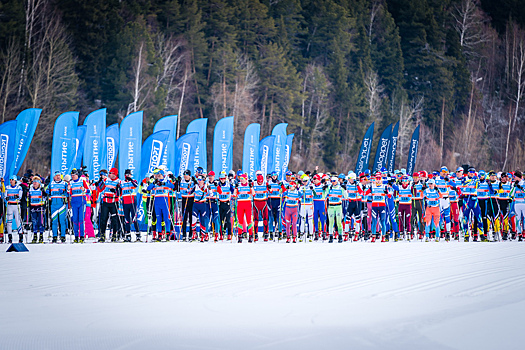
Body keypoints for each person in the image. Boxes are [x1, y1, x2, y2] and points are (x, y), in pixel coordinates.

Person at [147, 168, 175, 241]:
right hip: (157, 203)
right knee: (158, 219)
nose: (158, 176)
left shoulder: (166, 181)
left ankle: (167, 234)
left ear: (163, 175)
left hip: (165, 203)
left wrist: (164, 184)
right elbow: (148, 188)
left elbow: (172, 186)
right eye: (158, 175)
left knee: (166, 219)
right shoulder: (155, 182)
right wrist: (154, 183)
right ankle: (159, 234)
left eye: (160, 175)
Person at [97, 168, 122, 242]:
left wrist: (116, 191)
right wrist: (99, 182)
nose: (109, 174)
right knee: (103, 219)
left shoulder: (119, 181)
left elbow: (120, 193)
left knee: (114, 219)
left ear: (114, 174)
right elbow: (99, 189)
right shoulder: (106, 180)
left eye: (111, 173)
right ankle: (102, 235)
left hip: (114, 202)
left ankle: (114, 235)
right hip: (106, 202)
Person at [46, 171, 69, 243]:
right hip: (53, 205)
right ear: (54, 177)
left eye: (59, 176)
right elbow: (46, 190)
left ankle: (63, 236)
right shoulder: (51, 184)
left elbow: (68, 193)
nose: (58, 177)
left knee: (62, 221)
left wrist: (64, 192)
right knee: (54, 221)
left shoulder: (64, 184)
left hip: (61, 204)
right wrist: (47, 191)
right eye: (56, 176)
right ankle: (54, 236)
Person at [69, 169, 90, 243]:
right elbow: (70, 193)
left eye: (74, 175)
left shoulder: (82, 181)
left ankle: (82, 236)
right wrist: (68, 190)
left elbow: (89, 190)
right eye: (71, 175)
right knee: (75, 220)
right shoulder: (70, 183)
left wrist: (84, 189)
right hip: (74, 203)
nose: (72, 176)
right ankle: (76, 236)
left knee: (81, 220)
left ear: (77, 175)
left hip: (81, 202)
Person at [324, 176, 348, 243]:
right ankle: (331, 236)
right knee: (331, 222)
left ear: (337, 181)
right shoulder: (329, 188)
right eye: (332, 181)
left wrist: (345, 190)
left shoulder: (340, 188)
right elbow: (324, 196)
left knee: (338, 222)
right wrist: (324, 190)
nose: (332, 182)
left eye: (334, 181)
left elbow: (346, 197)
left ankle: (340, 236)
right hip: (331, 207)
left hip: (338, 206)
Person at [233, 173, 255, 243]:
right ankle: (240, 236)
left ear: (246, 179)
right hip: (240, 204)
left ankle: (251, 235)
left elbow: (253, 194)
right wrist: (235, 188)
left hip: (248, 204)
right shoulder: (238, 185)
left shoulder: (249, 185)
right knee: (240, 221)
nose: (241, 180)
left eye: (243, 179)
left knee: (249, 220)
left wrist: (251, 187)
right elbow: (234, 195)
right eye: (240, 179)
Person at [3, 176, 23, 243]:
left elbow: (20, 197)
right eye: (10, 180)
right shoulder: (7, 187)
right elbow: (5, 196)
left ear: (15, 181)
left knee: (18, 220)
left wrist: (16, 197)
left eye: (12, 180)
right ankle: (9, 236)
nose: (11, 181)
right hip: (10, 205)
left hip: (16, 205)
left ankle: (20, 236)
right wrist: (7, 198)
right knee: (9, 221)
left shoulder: (19, 187)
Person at [121, 169, 140, 242]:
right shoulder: (122, 182)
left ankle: (138, 235)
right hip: (125, 202)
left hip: (132, 202)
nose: (128, 176)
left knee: (134, 219)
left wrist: (131, 179)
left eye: (129, 175)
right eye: (127, 175)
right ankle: (128, 235)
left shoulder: (133, 181)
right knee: (127, 220)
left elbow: (136, 185)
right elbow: (119, 191)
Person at [178, 169, 195, 240]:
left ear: (189, 176)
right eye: (184, 175)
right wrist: (177, 181)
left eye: (186, 175)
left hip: (191, 200)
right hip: (184, 199)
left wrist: (195, 182)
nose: (185, 177)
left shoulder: (193, 182)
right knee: (184, 217)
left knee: (191, 218)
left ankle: (191, 233)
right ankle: (184, 234)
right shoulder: (182, 181)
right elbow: (179, 189)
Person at [192, 175, 209, 242]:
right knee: (193, 219)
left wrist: (209, 189)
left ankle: (203, 235)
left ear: (203, 180)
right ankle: (194, 234)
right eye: (198, 180)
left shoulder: (206, 187)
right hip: (196, 204)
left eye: (200, 180)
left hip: (203, 205)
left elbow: (210, 194)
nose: (199, 181)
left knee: (203, 220)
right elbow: (189, 192)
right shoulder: (196, 186)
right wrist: (189, 186)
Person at [217, 171, 234, 240]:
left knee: (228, 220)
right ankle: (221, 234)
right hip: (220, 204)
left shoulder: (228, 184)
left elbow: (233, 191)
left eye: (223, 178)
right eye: (221, 179)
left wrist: (234, 191)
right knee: (220, 220)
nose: (222, 180)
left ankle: (229, 234)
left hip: (227, 204)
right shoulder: (218, 185)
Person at [253, 170, 269, 241]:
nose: (260, 183)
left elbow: (270, 191)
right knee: (256, 220)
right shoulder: (254, 183)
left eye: (261, 182)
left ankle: (266, 234)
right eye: (259, 182)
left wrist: (269, 188)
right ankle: (255, 234)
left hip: (264, 203)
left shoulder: (265, 183)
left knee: (265, 220)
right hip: (256, 203)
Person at [299, 175, 315, 241]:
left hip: (310, 205)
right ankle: (302, 234)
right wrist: (302, 195)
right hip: (303, 204)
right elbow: (299, 195)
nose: (304, 182)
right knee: (302, 220)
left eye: (306, 181)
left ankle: (311, 234)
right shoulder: (301, 187)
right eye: (303, 181)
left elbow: (315, 195)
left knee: (310, 220)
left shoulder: (311, 186)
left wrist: (313, 190)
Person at [206, 171, 221, 241]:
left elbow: (220, 192)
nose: (210, 177)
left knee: (215, 219)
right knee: (206, 219)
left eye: (211, 176)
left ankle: (216, 234)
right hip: (208, 202)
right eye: (209, 176)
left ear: (214, 176)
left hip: (214, 202)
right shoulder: (206, 183)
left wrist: (217, 186)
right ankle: (206, 234)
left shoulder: (217, 183)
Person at [311, 174, 326, 241]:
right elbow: (313, 195)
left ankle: (324, 233)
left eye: (315, 179)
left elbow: (325, 193)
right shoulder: (312, 186)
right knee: (315, 219)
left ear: (318, 179)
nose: (314, 180)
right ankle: (316, 233)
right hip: (315, 203)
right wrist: (312, 190)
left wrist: (325, 188)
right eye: (313, 179)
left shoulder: (322, 186)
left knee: (322, 219)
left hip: (321, 203)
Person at [511, 171, 525, 241]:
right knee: (517, 219)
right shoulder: (514, 184)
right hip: (517, 203)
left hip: (524, 203)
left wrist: (521, 188)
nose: (514, 178)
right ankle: (519, 233)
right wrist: (514, 186)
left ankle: (524, 232)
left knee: (524, 219)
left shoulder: (524, 183)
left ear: (518, 177)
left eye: (515, 177)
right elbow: (511, 194)